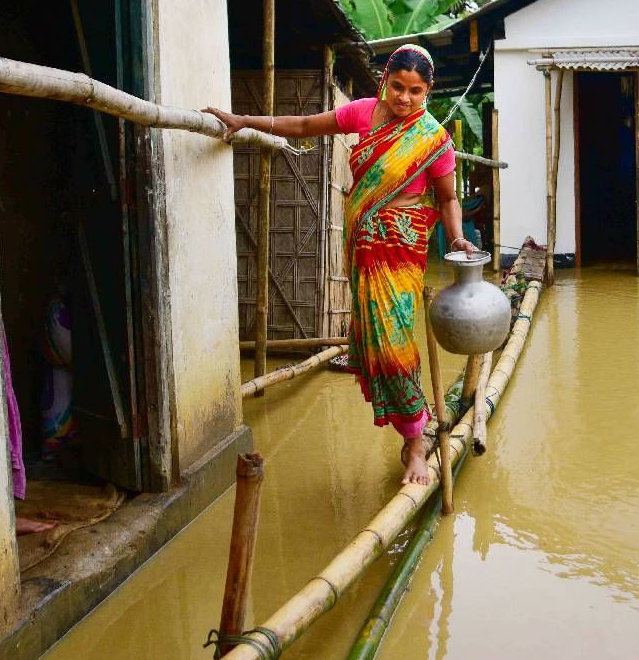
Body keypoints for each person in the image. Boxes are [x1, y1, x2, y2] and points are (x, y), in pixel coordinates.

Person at [204, 44, 478, 485]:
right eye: (397, 87)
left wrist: (459, 237)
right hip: (363, 247)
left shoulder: (434, 140)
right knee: (373, 346)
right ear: (385, 80)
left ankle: (414, 441)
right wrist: (243, 120)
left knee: (394, 347)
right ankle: (412, 432)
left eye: (416, 91)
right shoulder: (364, 113)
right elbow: (305, 124)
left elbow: (447, 198)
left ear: (428, 92)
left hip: (401, 253)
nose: (404, 98)